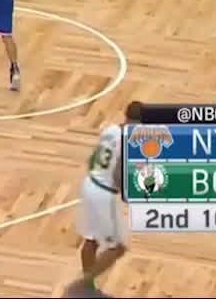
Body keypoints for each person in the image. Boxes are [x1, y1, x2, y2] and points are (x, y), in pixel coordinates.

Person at [75, 101, 143, 296]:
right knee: (117, 249)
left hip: (90, 184)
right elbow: (118, 175)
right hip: (103, 194)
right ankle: (80, 286)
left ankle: (87, 291)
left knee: (91, 240)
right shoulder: (128, 141)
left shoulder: (111, 130)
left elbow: (93, 159)